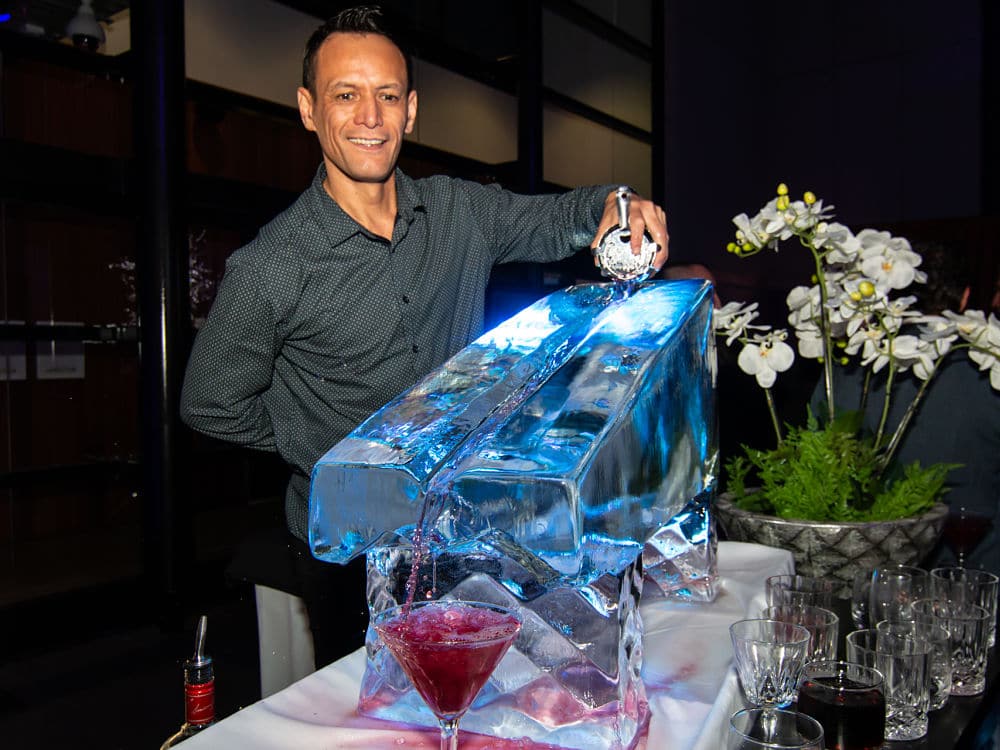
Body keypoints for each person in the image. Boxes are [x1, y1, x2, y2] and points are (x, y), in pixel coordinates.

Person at [179, 4, 669, 673]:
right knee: (373, 720)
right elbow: (209, 403)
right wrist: (331, 447)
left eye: (386, 96)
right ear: (308, 109)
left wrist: (619, 205)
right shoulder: (272, 268)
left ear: (410, 111)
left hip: (465, 532)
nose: (369, 117)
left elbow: (557, 217)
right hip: (350, 549)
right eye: (345, 96)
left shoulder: (460, 212)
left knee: (478, 698)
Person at [814, 242, 1000, 573]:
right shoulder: (989, 367)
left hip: (863, 572)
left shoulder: (845, 366)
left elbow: (812, 454)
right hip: (976, 582)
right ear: (966, 297)